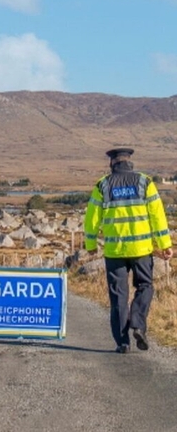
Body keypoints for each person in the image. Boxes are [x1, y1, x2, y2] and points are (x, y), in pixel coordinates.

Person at [83, 148, 173, 354]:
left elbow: (91, 219)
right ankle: (139, 324)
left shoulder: (103, 185)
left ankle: (122, 342)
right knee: (145, 286)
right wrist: (165, 244)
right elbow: (157, 216)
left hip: (115, 251)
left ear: (112, 163)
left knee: (118, 297)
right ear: (129, 161)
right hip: (141, 249)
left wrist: (90, 246)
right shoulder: (145, 182)